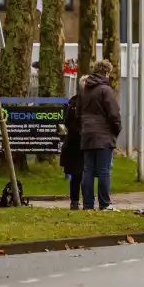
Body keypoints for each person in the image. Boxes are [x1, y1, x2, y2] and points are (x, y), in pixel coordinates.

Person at [79, 60, 122, 210]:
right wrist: (116, 131)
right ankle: (105, 204)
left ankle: (88, 204)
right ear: (106, 72)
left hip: (87, 135)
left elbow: (79, 113)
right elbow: (114, 114)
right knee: (104, 170)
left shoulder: (85, 90)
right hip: (103, 135)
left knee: (88, 170)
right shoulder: (105, 90)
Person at [60, 75, 86, 209]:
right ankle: (85, 201)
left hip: (74, 143)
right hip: (82, 143)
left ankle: (75, 201)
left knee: (77, 174)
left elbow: (66, 123)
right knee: (83, 173)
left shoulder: (72, 102)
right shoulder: (85, 103)